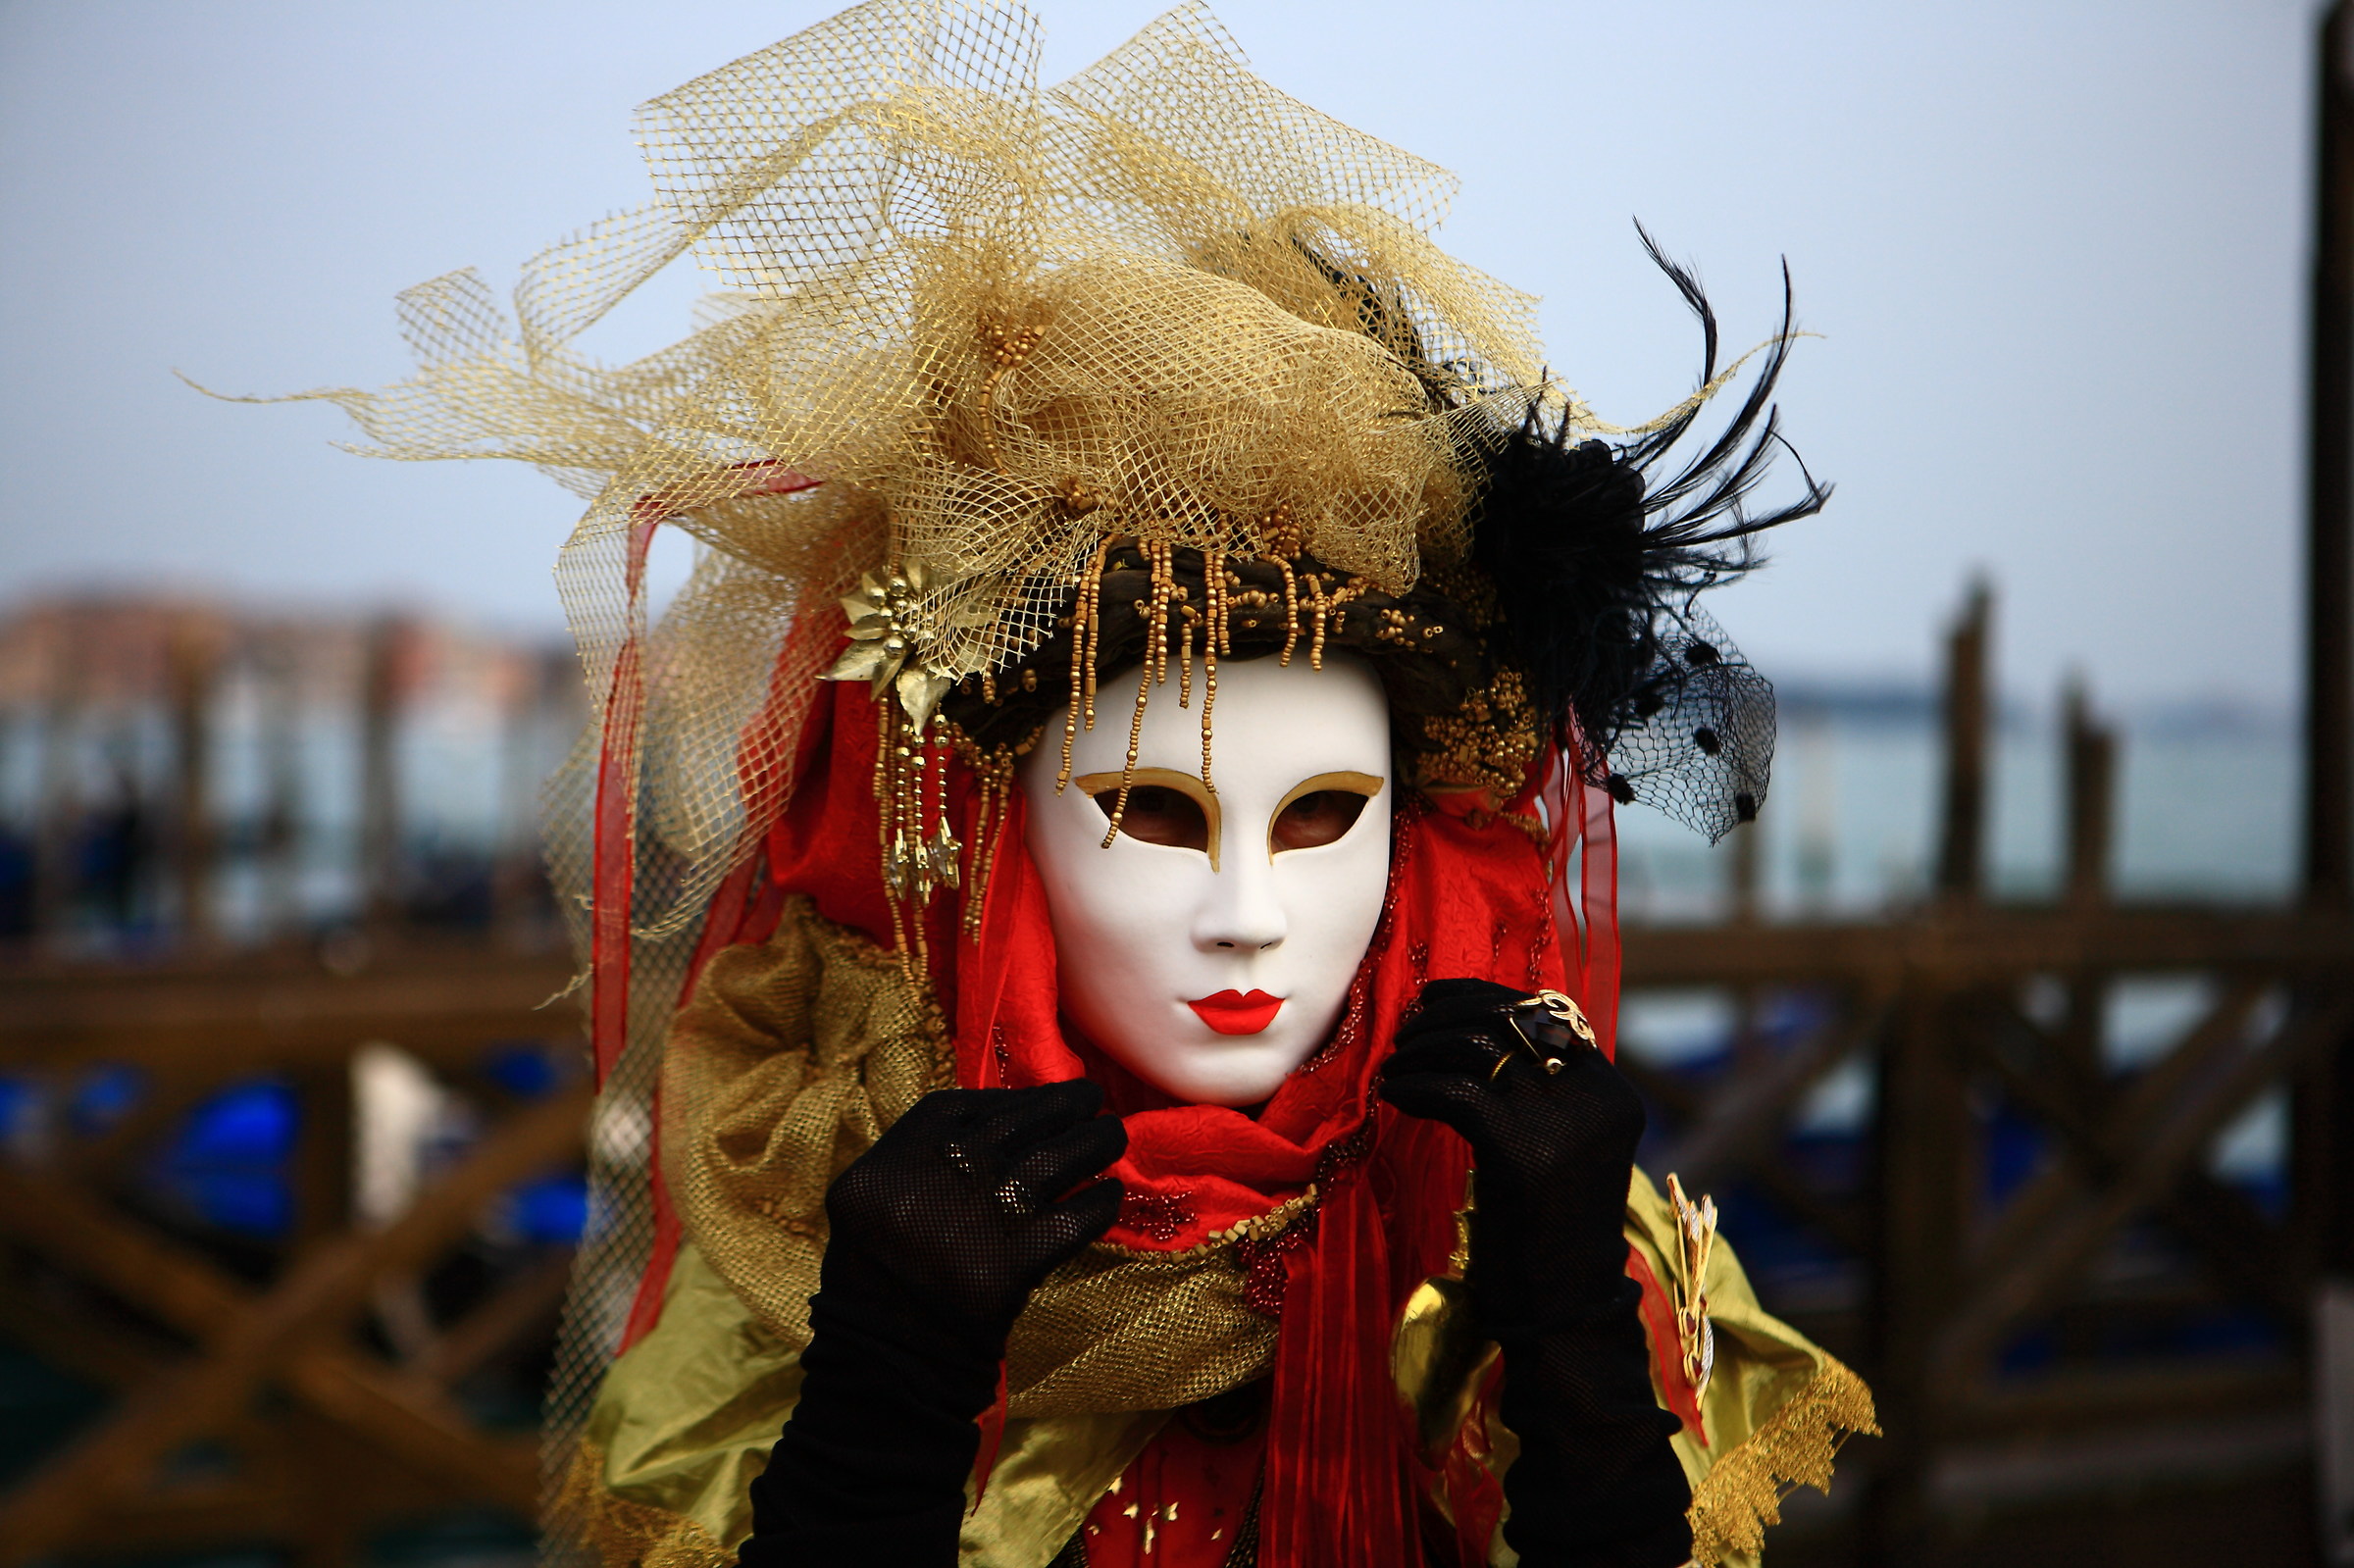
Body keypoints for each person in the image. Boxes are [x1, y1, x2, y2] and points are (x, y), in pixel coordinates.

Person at [281, 5, 1876, 1562]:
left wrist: (1569, 1330)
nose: (1252, 918)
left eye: (1323, 816)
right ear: (992, 841)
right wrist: (892, 1385)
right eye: (1158, 816)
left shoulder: (1516, 1233)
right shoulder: (822, 1243)